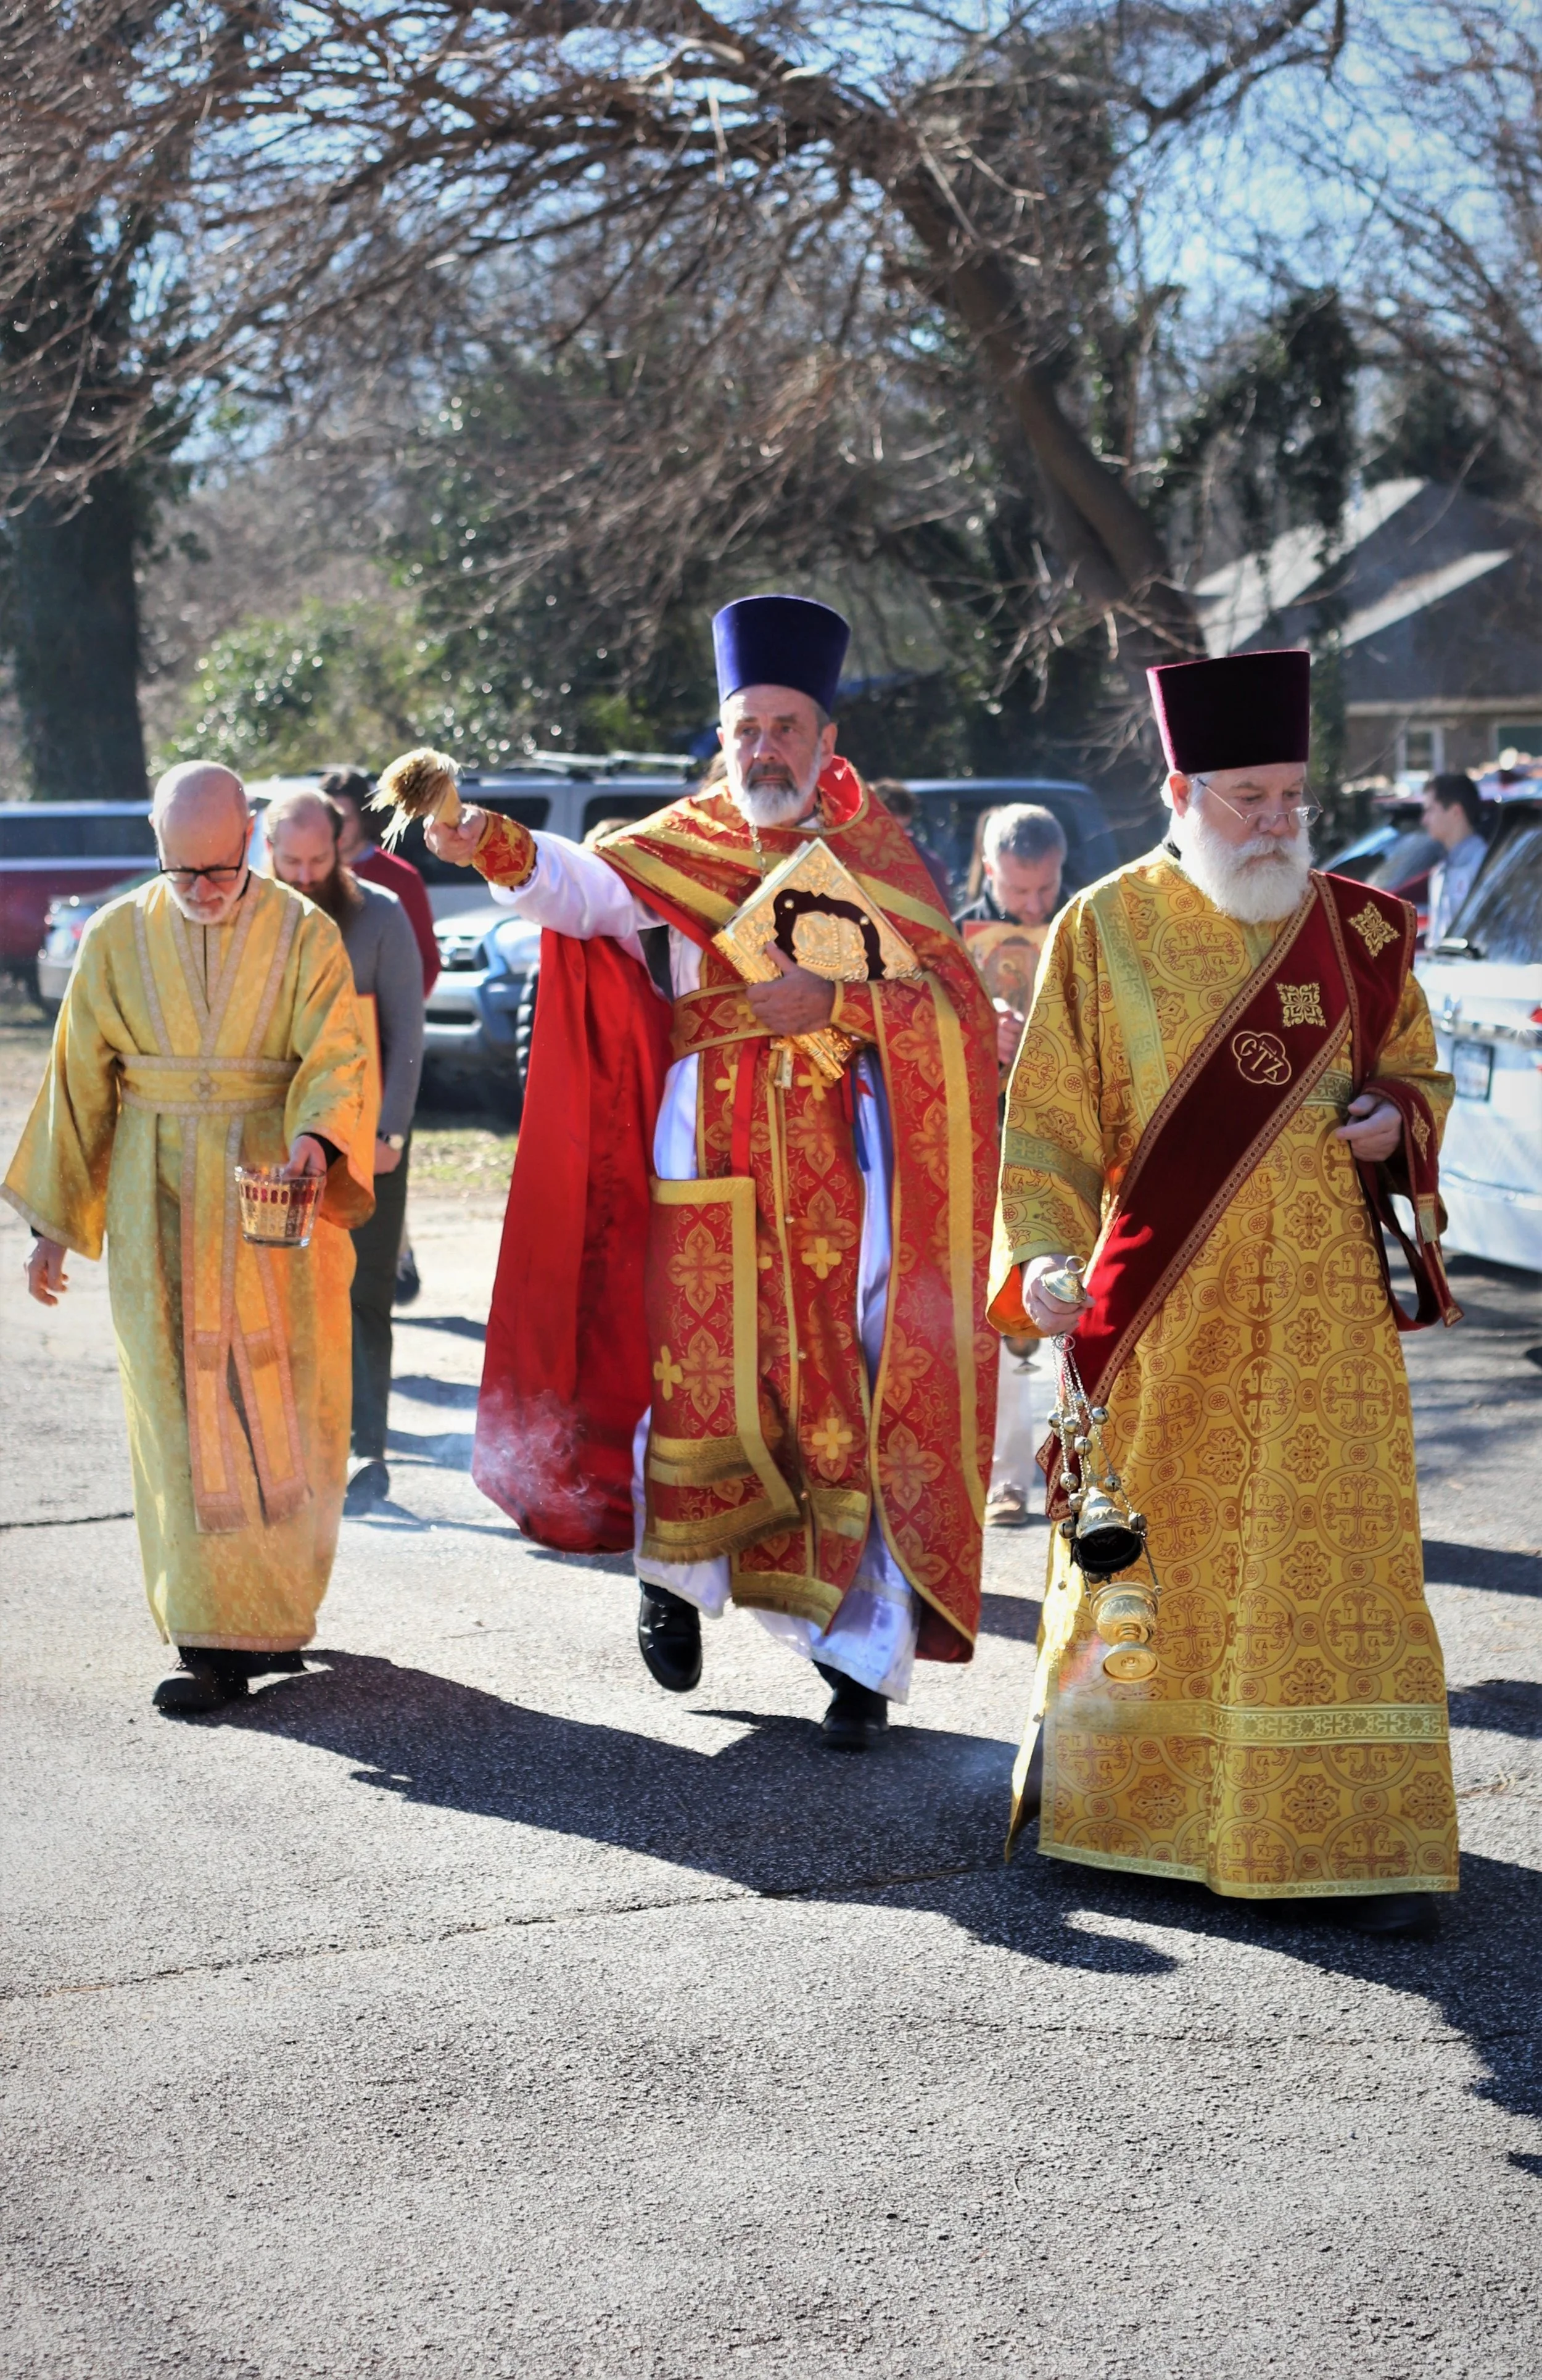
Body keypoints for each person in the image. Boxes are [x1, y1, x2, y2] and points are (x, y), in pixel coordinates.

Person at [418, 594, 999, 1750]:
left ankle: (858, 1660)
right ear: (721, 734)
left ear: (827, 739)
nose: (766, 747)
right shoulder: (677, 840)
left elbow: (957, 1012)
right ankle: (673, 1583)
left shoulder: (877, 856)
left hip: (846, 1164)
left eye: (788, 725)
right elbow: (578, 890)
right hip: (708, 1149)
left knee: (841, 1387)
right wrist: (491, 841)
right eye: (747, 727)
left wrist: (836, 1002)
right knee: (700, 1372)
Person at [991, 647, 1463, 1937]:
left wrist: (1390, 1118)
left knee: (1336, 1576)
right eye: (1246, 795)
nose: (1274, 820)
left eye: (1289, 796)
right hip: (1160, 1324)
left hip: (1325, 1327)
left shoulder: (1359, 934)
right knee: (1145, 1565)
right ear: (1178, 788)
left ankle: (1362, 1838)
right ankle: (1118, 1816)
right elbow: (1042, 1130)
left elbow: (1416, 1074)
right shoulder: (1099, 927)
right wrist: (1035, 1260)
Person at [4, 762, 375, 1714]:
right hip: (154, 1202)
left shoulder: (304, 931)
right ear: (158, 852)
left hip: (275, 1207)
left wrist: (313, 1137)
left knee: (284, 1407)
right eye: (183, 873)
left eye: (220, 868)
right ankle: (210, 1642)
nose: (205, 892)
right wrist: (53, 1224)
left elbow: (339, 1049)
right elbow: (81, 1076)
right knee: (178, 1417)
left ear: (248, 834)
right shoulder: (114, 935)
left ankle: (278, 1612)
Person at [266, 789, 425, 1511]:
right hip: (272, 1138)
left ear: (342, 849)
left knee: (364, 1295)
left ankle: (368, 1450)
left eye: (317, 860)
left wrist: (391, 1134)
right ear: (266, 851)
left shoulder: (382, 916)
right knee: (277, 1293)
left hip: (366, 1141)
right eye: (289, 861)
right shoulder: (250, 918)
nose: (303, 876)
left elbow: (407, 1034)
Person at [956, 804, 1069, 1529]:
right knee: (995, 1312)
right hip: (984, 1144)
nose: (1032, 908)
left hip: (1067, 1143)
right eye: (1019, 892)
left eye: (1044, 892)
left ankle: (1075, 1466)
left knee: (1069, 1306)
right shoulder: (951, 935)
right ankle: (1005, 1479)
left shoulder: (1085, 925)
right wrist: (977, 1034)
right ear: (991, 868)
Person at [319, 767, 438, 1308]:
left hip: (379, 1061)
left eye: (343, 815)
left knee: (377, 1185)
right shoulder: (298, 882)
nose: (334, 827)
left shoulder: (397, 880)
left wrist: (390, 1015)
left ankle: (397, 1257)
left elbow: (424, 968)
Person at [1421, 771, 1487, 948]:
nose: (1424, 820)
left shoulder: (1486, 866)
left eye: (1430, 810)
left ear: (1456, 812)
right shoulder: (1439, 872)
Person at [869, 779, 954, 904]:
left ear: (907, 818)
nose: (883, 821)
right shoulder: (850, 857)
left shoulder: (928, 866)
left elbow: (940, 917)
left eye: (893, 812)